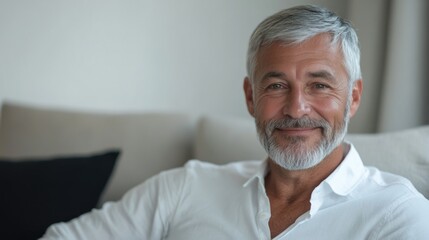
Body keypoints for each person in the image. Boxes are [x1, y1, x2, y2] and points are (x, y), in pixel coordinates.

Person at [41, 5, 429, 239]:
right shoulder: (183, 189)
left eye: (319, 85)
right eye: (277, 85)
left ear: (353, 98)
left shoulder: (397, 214)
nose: (296, 108)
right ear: (250, 97)